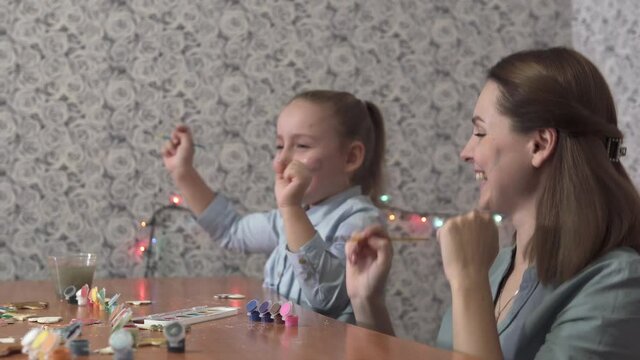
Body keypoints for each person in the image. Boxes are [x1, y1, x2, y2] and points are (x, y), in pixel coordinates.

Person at [346, 47, 640, 359]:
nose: (465, 151)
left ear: (539, 145)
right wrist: (368, 303)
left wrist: (469, 279)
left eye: (480, 132)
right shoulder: (500, 265)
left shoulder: (616, 284)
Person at [162, 90, 386, 322]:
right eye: (280, 146)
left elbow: (326, 299)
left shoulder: (359, 220)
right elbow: (231, 230)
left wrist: (291, 208)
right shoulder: (289, 218)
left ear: (351, 157)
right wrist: (183, 172)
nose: (281, 160)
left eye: (302, 145)